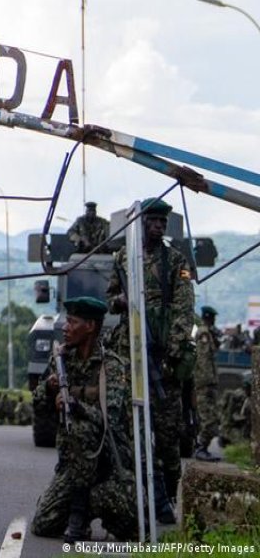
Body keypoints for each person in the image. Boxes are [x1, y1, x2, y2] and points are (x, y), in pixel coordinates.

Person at [105, 197, 194, 524]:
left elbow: (184, 309)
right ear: (141, 223)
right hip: (131, 353)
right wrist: (122, 301)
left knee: (168, 435)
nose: (158, 227)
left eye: (162, 223)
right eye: (153, 221)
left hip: (163, 357)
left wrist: (173, 349)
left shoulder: (175, 260)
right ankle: (143, 498)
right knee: (132, 430)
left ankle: (171, 493)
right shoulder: (123, 258)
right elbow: (110, 300)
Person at [31, 297, 137, 542]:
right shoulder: (60, 360)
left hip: (108, 467)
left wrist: (76, 406)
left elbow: (110, 420)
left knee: (132, 526)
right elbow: (37, 408)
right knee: (43, 524)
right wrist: (48, 390)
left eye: (73, 322)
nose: (65, 327)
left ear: (90, 326)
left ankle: (81, 512)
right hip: (72, 467)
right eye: (67, 321)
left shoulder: (111, 366)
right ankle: (75, 512)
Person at [193, 306, 223, 462]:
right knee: (209, 418)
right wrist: (208, 383)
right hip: (205, 384)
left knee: (210, 417)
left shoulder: (207, 333)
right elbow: (203, 360)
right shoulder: (204, 333)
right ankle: (201, 448)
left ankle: (202, 447)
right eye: (213, 318)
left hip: (207, 383)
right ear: (209, 317)